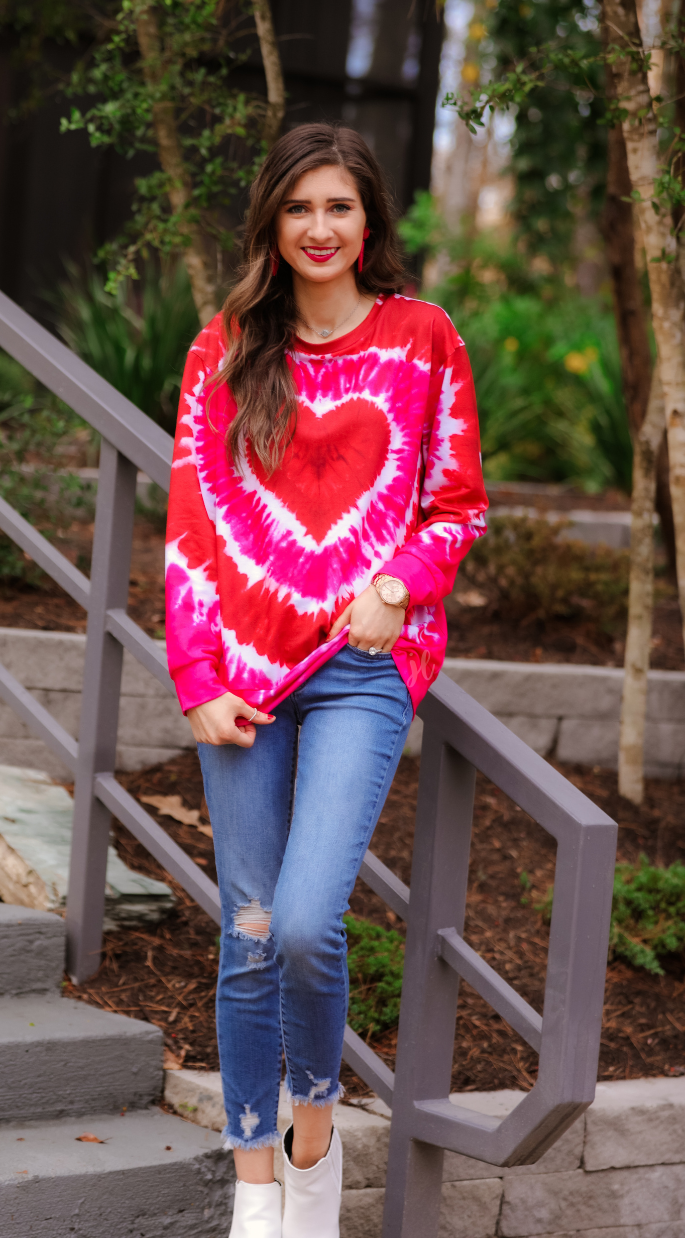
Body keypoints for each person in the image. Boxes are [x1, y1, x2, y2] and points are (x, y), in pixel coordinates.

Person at [164, 123, 488, 1238]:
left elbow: (457, 503)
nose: (318, 229)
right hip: (240, 679)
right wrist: (197, 674)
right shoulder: (226, 347)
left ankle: (317, 1129)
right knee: (247, 928)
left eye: (338, 207)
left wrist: (398, 584)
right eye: (297, 208)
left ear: (369, 221)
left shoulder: (422, 339)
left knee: (305, 920)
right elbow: (191, 524)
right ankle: (261, 1190)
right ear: (271, 221)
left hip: (359, 667)